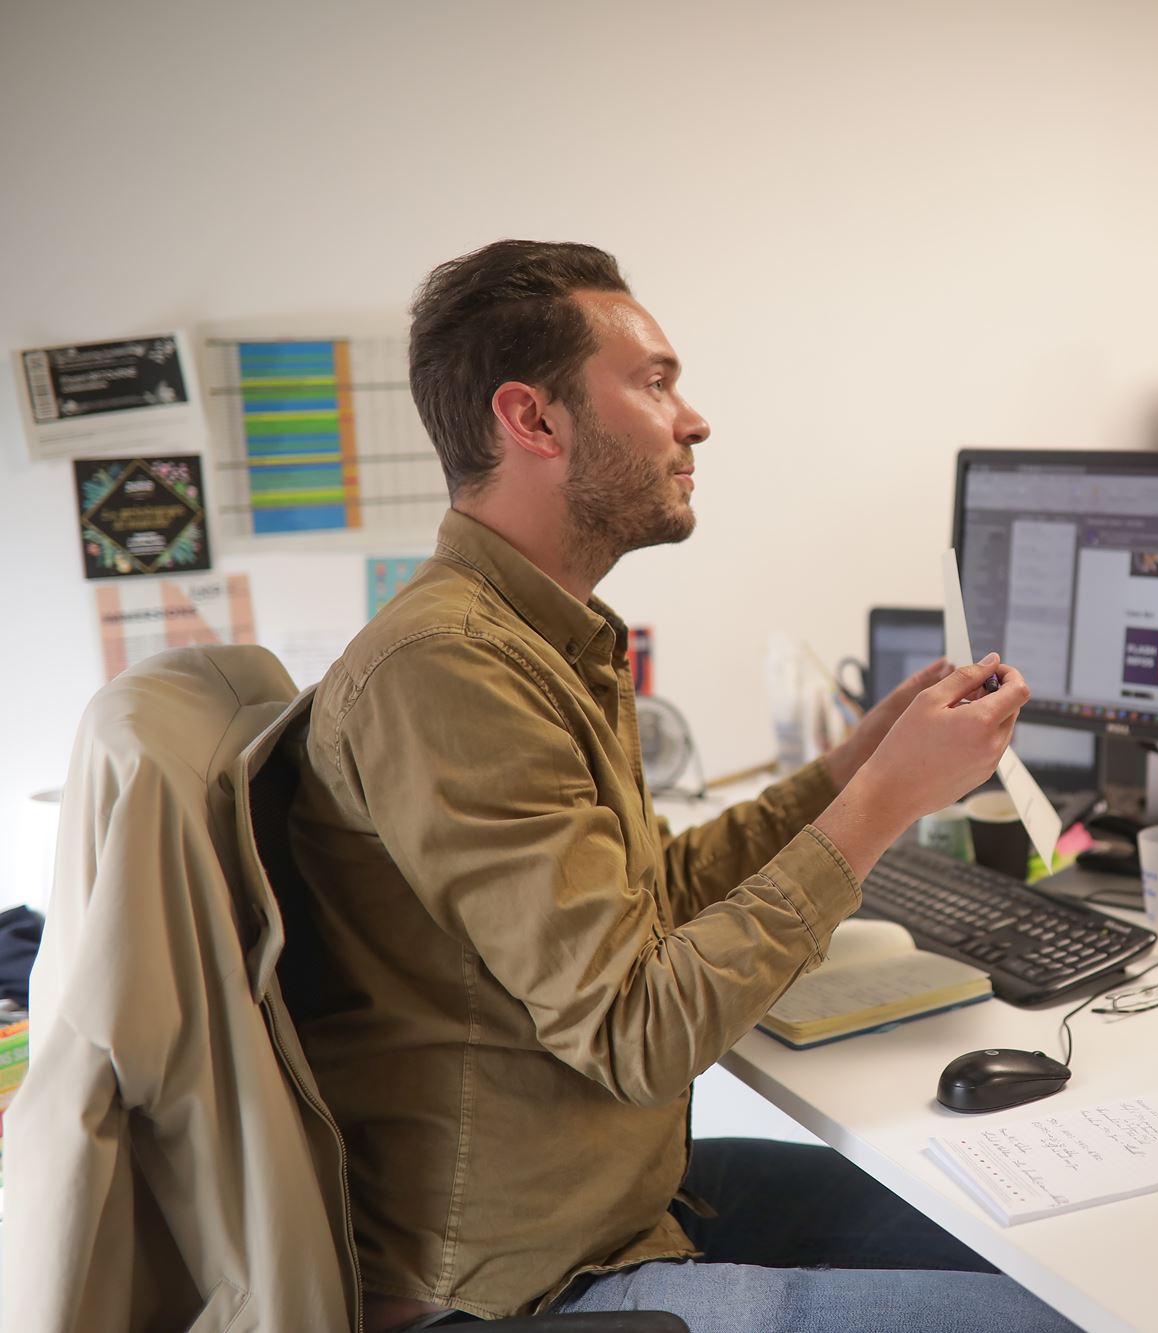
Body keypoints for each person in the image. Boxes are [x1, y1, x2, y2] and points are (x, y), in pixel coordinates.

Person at [286, 240, 1075, 1332]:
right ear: (535, 420)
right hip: (528, 1285)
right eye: (653, 383)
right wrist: (884, 802)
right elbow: (638, 1027)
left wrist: (852, 766)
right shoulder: (446, 670)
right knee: (1076, 1318)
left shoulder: (536, 635)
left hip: (619, 1201)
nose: (692, 420)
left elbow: (654, 892)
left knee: (1049, 1249)